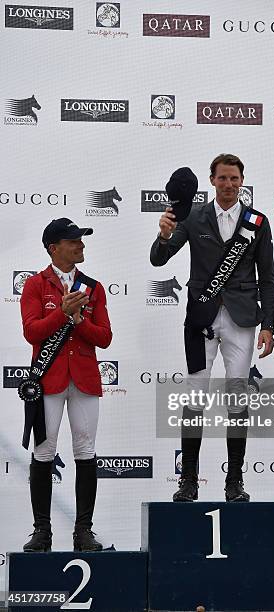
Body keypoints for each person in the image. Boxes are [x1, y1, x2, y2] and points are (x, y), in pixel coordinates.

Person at [150, 154, 274, 502]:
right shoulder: (193, 215)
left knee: (237, 396)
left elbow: (267, 277)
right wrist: (163, 236)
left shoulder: (257, 221)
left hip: (241, 319)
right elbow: (159, 258)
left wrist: (269, 325)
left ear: (242, 181)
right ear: (212, 181)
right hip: (200, 319)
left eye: (235, 178)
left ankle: (234, 481)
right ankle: (188, 480)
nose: (229, 185)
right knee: (194, 396)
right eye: (223, 178)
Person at [20, 218, 112, 552]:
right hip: (48, 379)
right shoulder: (34, 285)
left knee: (85, 450)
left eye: (82, 241)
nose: (81, 245)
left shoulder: (93, 286)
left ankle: (83, 531)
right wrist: (62, 313)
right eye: (74, 241)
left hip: (84, 378)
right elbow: (32, 332)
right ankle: (41, 531)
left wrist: (77, 320)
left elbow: (105, 337)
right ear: (54, 248)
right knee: (44, 451)